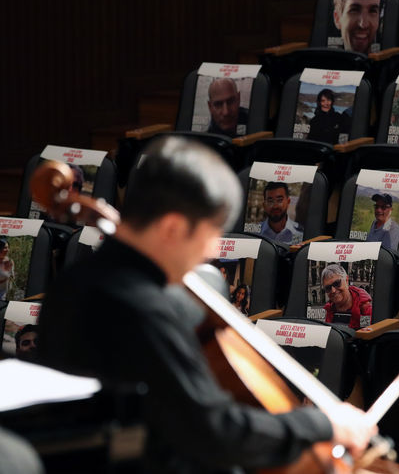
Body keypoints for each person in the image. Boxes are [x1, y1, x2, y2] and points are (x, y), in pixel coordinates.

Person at [38, 136, 376, 473]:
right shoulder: (145, 308)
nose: (212, 250)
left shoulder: (71, 283)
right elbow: (217, 431)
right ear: (172, 227)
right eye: (211, 232)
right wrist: (323, 424)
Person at [322, 264, 372, 329]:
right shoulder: (328, 309)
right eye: (328, 288)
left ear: (346, 280)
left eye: (337, 283)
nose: (333, 290)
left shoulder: (364, 308)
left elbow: (366, 334)